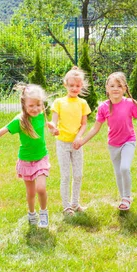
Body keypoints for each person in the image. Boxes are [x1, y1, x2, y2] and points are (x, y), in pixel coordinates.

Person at [74, 72, 137, 211]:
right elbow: (95, 128)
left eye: (119, 86)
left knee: (124, 168)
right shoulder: (103, 107)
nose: (115, 88)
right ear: (107, 88)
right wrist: (82, 141)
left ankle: (126, 198)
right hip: (113, 144)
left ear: (124, 89)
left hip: (128, 141)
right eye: (112, 86)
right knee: (118, 173)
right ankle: (123, 196)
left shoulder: (130, 103)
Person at [0, 84, 59, 228]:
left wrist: (52, 127)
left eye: (39, 104)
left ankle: (44, 213)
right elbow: (0, 132)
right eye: (31, 105)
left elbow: (45, 123)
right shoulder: (19, 121)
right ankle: (31, 213)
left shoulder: (40, 114)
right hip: (26, 161)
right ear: (24, 105)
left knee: (41, 188)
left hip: (41, 158)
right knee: (31, 192)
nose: (36, 108)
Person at [51, 67, 91, 216]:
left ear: (81, 86)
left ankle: (75, 203)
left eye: (77, 86)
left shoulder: (82, 103)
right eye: (71, 85)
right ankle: (66, 206)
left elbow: (84, 124)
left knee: (78, 175)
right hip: (62, 144)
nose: (74, 88)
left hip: (77, 144)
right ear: (65, 85)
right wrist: (53, 129)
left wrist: (79, 137)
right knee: (66, 176)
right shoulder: (59, 102)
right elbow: (53, 122)